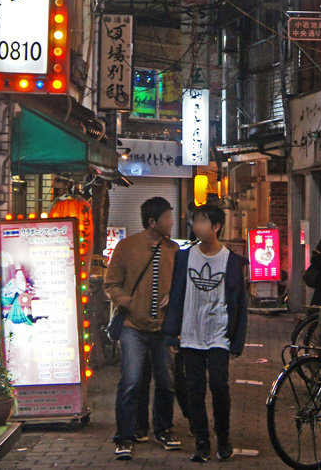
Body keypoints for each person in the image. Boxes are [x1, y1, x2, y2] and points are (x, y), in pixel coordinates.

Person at [163, 203, 248, 463]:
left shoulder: (231, 261)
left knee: (220, 384)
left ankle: (223, 438)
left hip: (219, 333)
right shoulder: (185, 257)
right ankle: (202, 442)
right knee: (194, 389)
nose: (196, 227)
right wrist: (171, 333)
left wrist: (237, 342)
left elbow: (240, 303)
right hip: (190, 333)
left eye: (201, 222)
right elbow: (177, 295)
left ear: (216, 226)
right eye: (194, 222)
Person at [105, 196, 181, 461]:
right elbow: (111, 283)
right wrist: (129, 302)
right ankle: (124, 436)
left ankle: (164, 429)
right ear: (153, 221)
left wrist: (174, 297)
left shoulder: (174, 251)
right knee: (131, 381)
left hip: (162, 328)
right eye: (168, 217)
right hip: (131, 326)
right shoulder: (126, 247)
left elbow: (180, 285)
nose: (172, 221)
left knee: (166, 380)